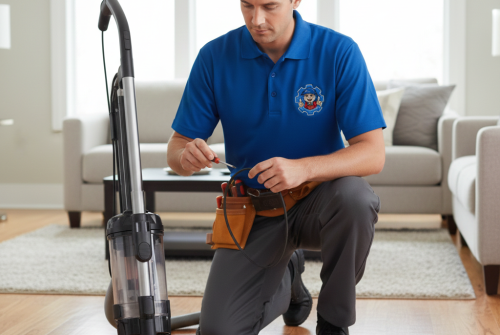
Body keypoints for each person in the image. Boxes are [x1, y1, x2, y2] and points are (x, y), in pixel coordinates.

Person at [166, 0, 386, 334]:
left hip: (323, 203)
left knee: (357, 199)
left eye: (269, 6)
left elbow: (372, 154)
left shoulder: (339, 51)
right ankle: (289, 277)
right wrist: (186, 157)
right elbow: (177, 147)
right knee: (217, 331)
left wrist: (303, 169)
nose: (257, 19)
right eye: (247, 5)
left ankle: (334, 322)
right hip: (254, 211)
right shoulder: (214, 57)